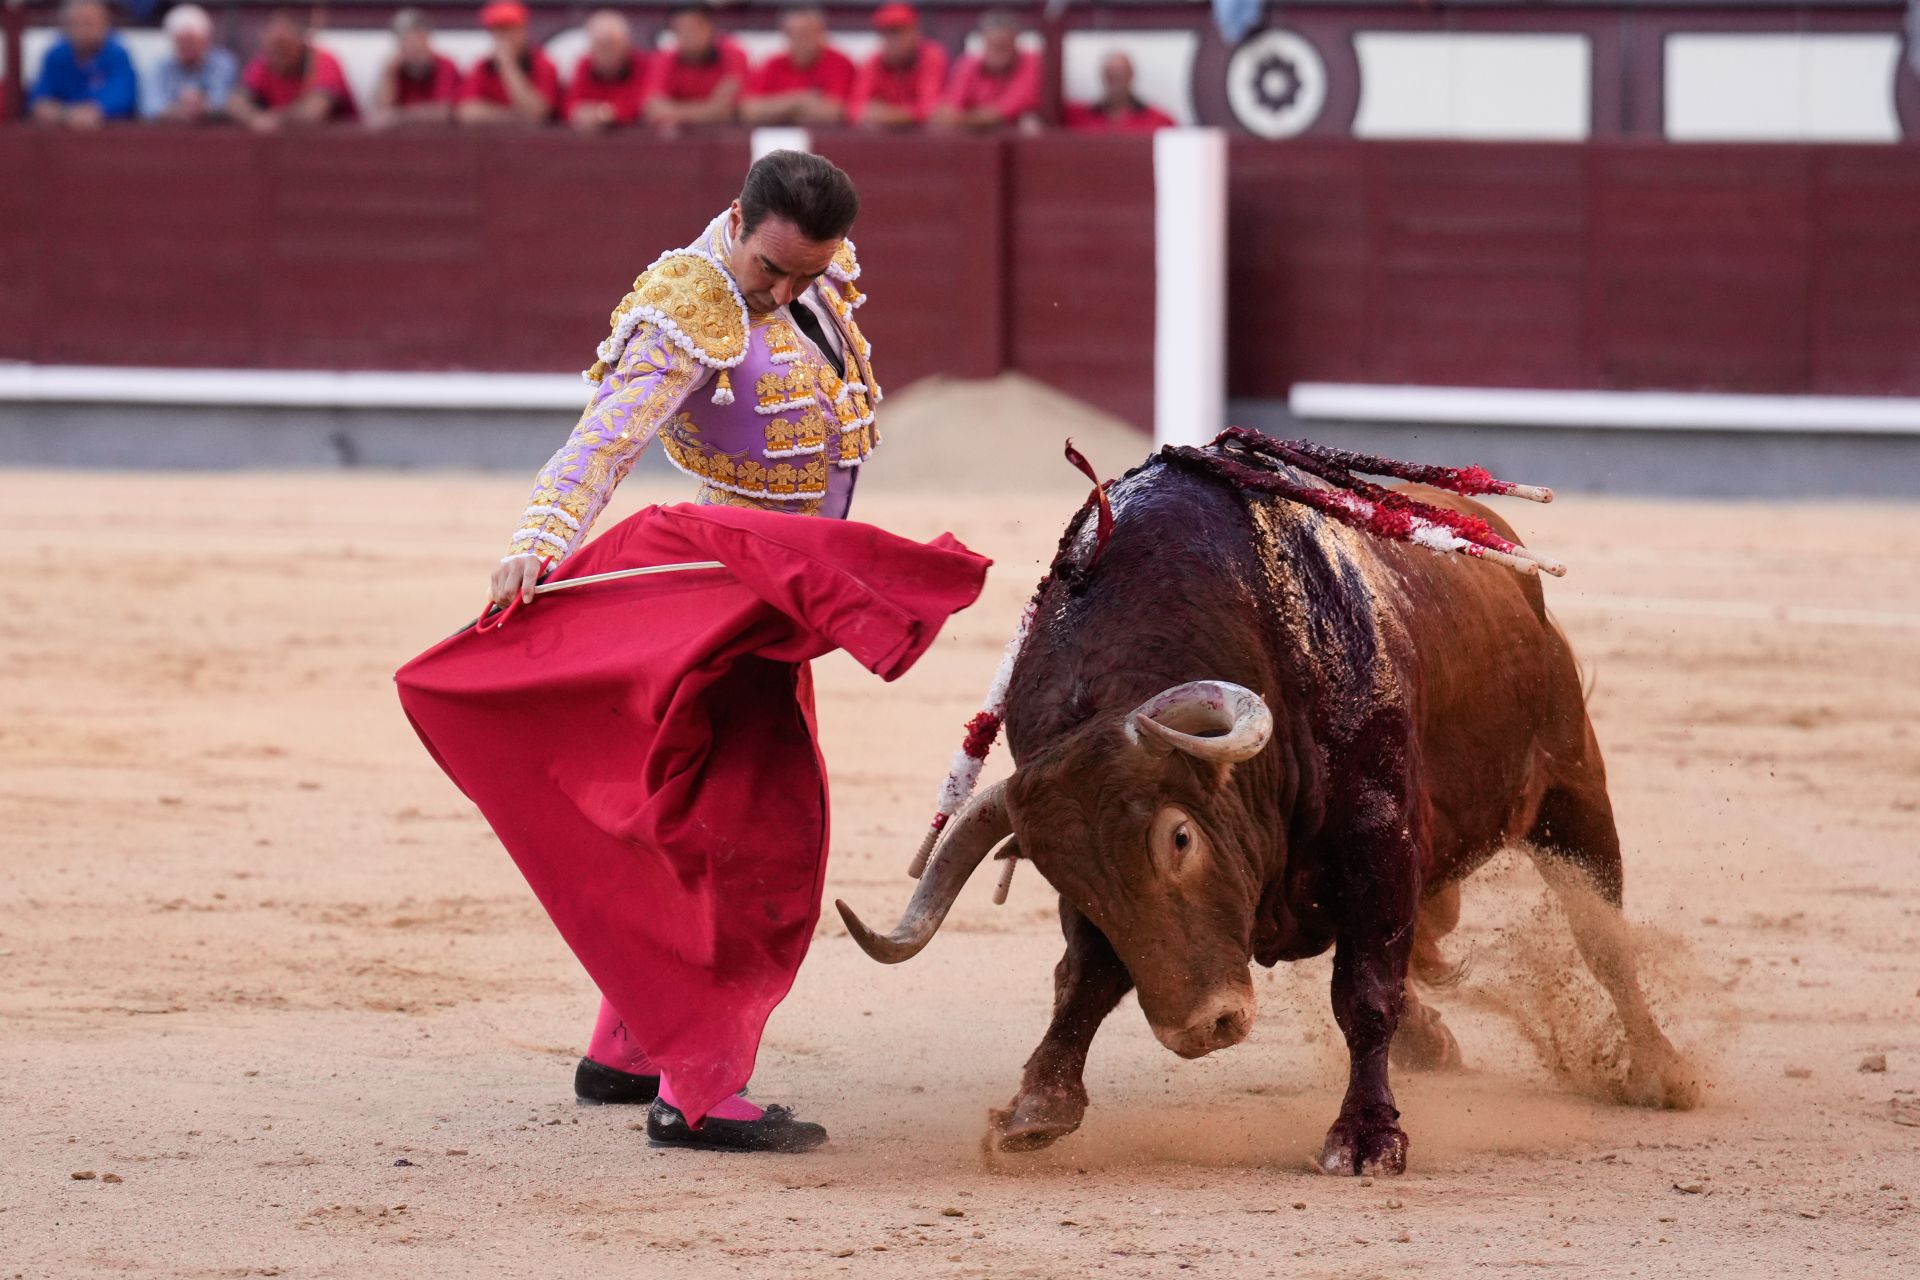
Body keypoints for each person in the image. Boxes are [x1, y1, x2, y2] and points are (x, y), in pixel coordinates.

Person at [489, 152, 882, 1151]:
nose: (788, 292)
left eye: (808, 271)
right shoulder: (687, 305)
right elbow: (600, 444)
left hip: (785, 594)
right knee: (744, 832)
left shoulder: (811, 270)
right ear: (738, 220)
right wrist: (538, 542)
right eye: (772, 272)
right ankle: (695, 1090)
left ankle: (626, 1044)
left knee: (694, 817)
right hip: (728, 594)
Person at [229, 11, 358, 129]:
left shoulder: (323, 61)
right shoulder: (263, 64)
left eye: (284, 46)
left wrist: (277, 119)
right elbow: (235, 102)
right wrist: (255, 118)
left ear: (301, 43)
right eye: (272, 47)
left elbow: (315, 110)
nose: (278, 53)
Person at [29, 0, 138, 128]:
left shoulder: (117, 54)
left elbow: (123, 99)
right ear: (64, 26)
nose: (82, 31)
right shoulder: (56, 55)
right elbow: (39, 102)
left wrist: (94, 112)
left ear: (106, 24)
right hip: (61, 135)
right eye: (75, 24)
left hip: (109, 136)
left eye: (89, 23)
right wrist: (68, 114)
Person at [739, 5, 854, 127]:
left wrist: (776, 111)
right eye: (797, 34)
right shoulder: (772, 64)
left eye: (810, 33)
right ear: (786, 35)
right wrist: (801, 101)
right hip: (778, 140)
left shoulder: (839, 63)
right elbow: (748, 110)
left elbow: (834, 113)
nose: (804, 41)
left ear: (821, 33)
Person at [457, 0, 563, 127]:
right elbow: (467, 113)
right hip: (491, 141)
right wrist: (513, 115)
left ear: (523, 30)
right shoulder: (483, 66)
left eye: (509, 29)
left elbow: (538, 113)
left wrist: (508, 66)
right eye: (498, 30)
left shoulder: (543, 64)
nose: (503, 36)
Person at [642, 2, 748, 128]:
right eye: (680, 30)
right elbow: (653, 110)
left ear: (709, 27)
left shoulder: (732, 54)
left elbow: (729, 111)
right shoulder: (665, 59)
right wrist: (709, 109)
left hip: (725, 139)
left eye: (694, 28)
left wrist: (673, 111)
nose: (688, 35)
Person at [932, 10, 1039, 132]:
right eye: (993, 45)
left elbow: (1003, 111)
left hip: (1020, 140)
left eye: (1003, 45)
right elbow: (949, 109)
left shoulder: (1031, 62)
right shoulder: (969, 64)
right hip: (974, 141)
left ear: (1015, 41)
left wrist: (962, 119)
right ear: (984, 41)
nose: (998, 50)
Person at [847, 3, 946, 130]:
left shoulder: (931, 57)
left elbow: (930, 109)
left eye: (898, 32)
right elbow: (854, 109)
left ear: (915, 32)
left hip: (925, 143)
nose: (891, 40)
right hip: (885, 143)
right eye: (885, 33)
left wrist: (891, 115)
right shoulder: (874, 61)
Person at [371, 8, 462, 128]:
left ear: (428, 39)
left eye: (417, 38)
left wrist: (398, 117)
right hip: (401, 141)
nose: (412, 46)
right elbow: (380, 114)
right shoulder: (394, 68)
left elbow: (444, 112)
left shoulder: (445, 65)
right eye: (405, 40)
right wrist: (389, 74)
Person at [147, 4, 237, 123]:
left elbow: (227, 103)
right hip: (169, 134)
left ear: (206, 40)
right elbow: (149, 108)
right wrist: (177, 110)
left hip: (212, 134)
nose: (188, 47)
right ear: (173, 41)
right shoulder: (160, 67)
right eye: (183, 42)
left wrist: (204, 107)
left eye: (193, 42)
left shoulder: (223, 63)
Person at [565, 9, 646, 131]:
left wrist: (606, 114)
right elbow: (570, 105)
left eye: (612, 45)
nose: (607, 53)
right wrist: (582, 113)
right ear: (591, 48)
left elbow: (642, 106)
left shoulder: (642, 65)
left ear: (626, 45)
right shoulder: (584, 65)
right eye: (601, 46)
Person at [1062, 51, 1174, 133]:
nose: (1115, 83)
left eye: (1120, 75)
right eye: (1110, 76)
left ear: (1131, 75)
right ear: (1103, 77)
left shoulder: (1158, 121)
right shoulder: (1077, 116)